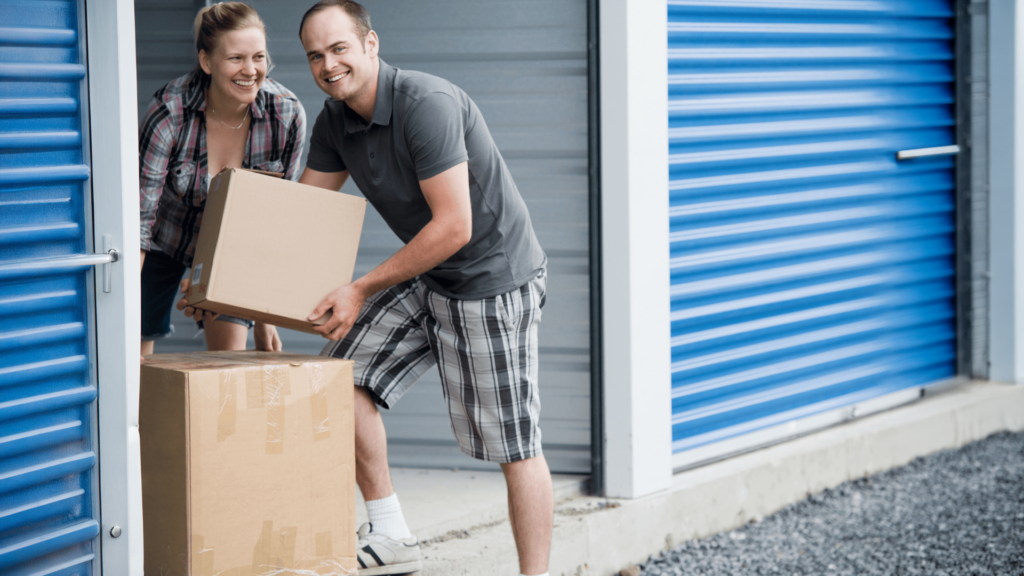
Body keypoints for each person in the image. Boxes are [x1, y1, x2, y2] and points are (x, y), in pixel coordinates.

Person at [295, 2, 552, 575]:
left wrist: (358, 288)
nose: (328, 65)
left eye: (339, 48)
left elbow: (454, 226)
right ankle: (391, 534)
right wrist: (244, 296)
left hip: (491, 279)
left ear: (371, 44)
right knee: (340, 378)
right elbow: (300, 212)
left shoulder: (424, 105)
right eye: (315, 55)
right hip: (429, 273)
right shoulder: (335, 121)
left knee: (514, 445)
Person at [139, 2, 305, 356]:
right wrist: (126, 305)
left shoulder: (286, 115)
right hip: (160, 239)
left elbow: (275, 219)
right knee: (133, 355)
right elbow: (140, 220)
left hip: (231, 247)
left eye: (258, 57)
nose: (250, 70)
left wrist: (264, 316)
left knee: (230, 360)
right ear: (206, 62)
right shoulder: (169, 113)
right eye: (235, 59)